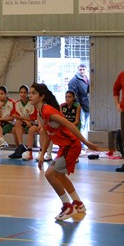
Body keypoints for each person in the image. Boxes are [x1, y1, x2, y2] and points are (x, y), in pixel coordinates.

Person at [30, 82, 102, 221]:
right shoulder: (39, 112)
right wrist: (42, 154)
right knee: (60, 176)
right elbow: (47, 134)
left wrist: (87, 143)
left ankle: (67, 206)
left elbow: (70, 125)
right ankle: (78, 204)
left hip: (71, 145)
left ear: (42, 96)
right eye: (30, 93)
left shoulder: (48, 111)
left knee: (50, 174)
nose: (30, 96)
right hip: (65, 146)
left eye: (33, 93)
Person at [8, 84, 36, 159]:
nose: (23, 94)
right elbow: (16, 116)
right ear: (19, 93)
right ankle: (19, 147)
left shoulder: (31, 103)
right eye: (21, 92)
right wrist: (25, 120)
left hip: (32, 123)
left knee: (16, 127)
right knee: (15, 126)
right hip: (23, 122)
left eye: (24, 92)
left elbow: (32, 118)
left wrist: (23, 119)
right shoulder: (17, 103)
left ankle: (20, 149)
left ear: (27, 93)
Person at [0, 86, 17, 155]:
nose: (0, 96)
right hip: (1, 122)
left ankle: (2, 143)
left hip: (10, 122)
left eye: (2, 94)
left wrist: (2, 119)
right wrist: (0, 108)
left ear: (6, 94)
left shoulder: (12, 102)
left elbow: (13, 118)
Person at [67, 64, 90, 133]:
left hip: (87, 105)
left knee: (86, 124)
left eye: (83, 69)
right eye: (80, 69)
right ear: (78, 70)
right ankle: (80, 138)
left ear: (86, 70)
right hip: (79, 105)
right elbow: (71, 93)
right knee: (81, 123)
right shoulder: (74, 80)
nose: (82, 71)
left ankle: (83, 138)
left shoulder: (87, 79)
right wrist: (77, 104)